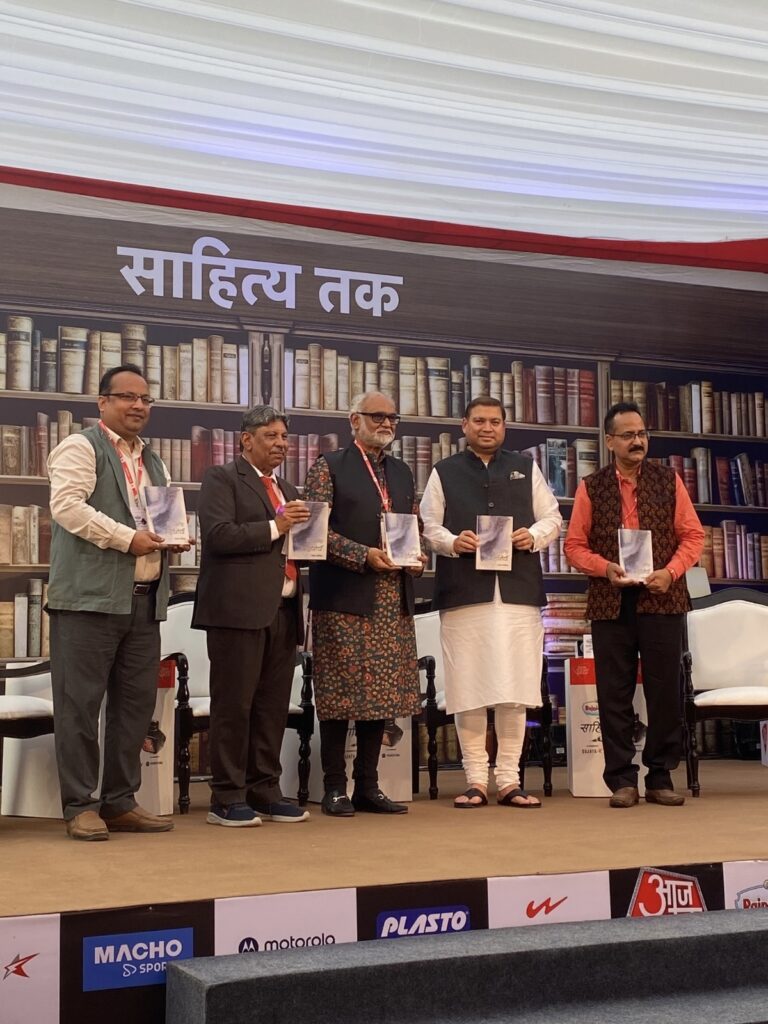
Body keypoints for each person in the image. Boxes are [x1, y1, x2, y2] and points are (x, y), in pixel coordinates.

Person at [47, 364, 182, 841]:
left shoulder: (154, 461)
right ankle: (79, 805)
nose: (138, 406)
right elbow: (66, 507)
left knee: (132, 708)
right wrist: (129, 539)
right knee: (79, 706)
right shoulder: (80, 446)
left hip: (144, 601)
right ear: (102, 403)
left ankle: (120, 801)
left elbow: (158, 518)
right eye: (126, 397)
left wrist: (171, 539)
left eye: (145, 399)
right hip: (88, 601)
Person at [420, 396, 562, 809]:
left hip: (517, 593)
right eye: (479, 420)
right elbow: (429, 525)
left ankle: (509, 780)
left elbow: (552, 518)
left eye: (495, 421)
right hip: (465, 593)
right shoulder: (443, 471)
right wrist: (451, 541)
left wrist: (532, 536)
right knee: (470, 688)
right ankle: (475, 780)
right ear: (464, 425)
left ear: (505, 427)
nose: (487, 428)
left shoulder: (526, 466)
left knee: (514, 688)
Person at [564, 401, 705, 808]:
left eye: (641, 433)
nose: (637, 441)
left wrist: (672, 572)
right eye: (628, 435)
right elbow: (574, 546)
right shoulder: (592, 487)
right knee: (614, 692)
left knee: (665, 690)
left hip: (663, 596)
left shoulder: (669, 480)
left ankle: (660, 776)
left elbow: (692, 536)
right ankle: (622, 780)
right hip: (612, 600)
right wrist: (605, 567)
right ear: (610, 441)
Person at [305, 391, 425, 817]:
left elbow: (413, 525)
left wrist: (416, 557)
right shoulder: (329, 466)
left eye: (393, 416)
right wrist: (362, 555)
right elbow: (312, 533)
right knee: (340, 695)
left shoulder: (404, 471)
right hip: (345, 596)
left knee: (383, 695)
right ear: (353, 420)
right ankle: (334, 787)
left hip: (393, 599)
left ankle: (368, 786)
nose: (387, 423)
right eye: (378, 416)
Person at [193, 406, 311, 827]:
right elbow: (220, 536)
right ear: (246, 440)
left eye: (284, 437)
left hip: (284, 607)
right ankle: (226, 796)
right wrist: (278, 526)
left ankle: (264, 789)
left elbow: (290, 544)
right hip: (237, 610)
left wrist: (310, 544)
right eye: (271, 436)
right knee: (234, 705)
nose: (281, 444)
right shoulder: (222, 479)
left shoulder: (288, 486)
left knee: (271, 707)